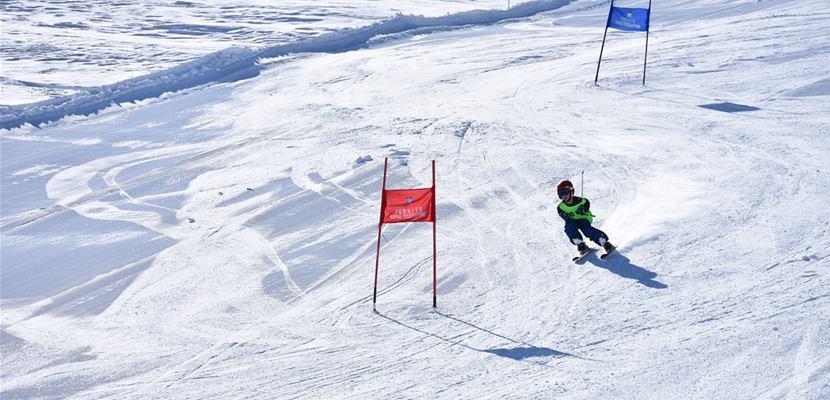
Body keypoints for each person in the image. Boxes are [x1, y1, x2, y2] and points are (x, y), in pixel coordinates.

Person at [556, 180, 615, 256]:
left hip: (584, 218)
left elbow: (587, 203)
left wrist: (583, 209)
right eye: (561, 194)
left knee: (586, 230)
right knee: (569, 227)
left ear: (571, 192)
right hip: (573, 221)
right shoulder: (561, 207)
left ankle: (604, 242)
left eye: (565, 193)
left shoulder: (581, 201)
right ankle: (580, 244)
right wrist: (564, 215)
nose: (564, 196)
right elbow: (561, 213)